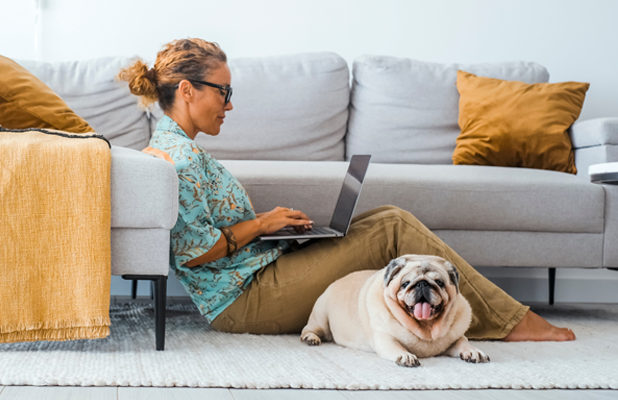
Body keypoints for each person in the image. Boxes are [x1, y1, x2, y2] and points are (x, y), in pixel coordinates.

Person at [116, 38, 575, 341]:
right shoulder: (176, 158)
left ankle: (490, 318)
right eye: (224, 91)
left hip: (258, 276)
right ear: (188, 90)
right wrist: (262, 224)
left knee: (387, 215)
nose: (230, 104)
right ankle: (513, 322)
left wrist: (277, 233)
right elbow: (192, 254)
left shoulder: (181, 150)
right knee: (393, 226)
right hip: (243, 302)